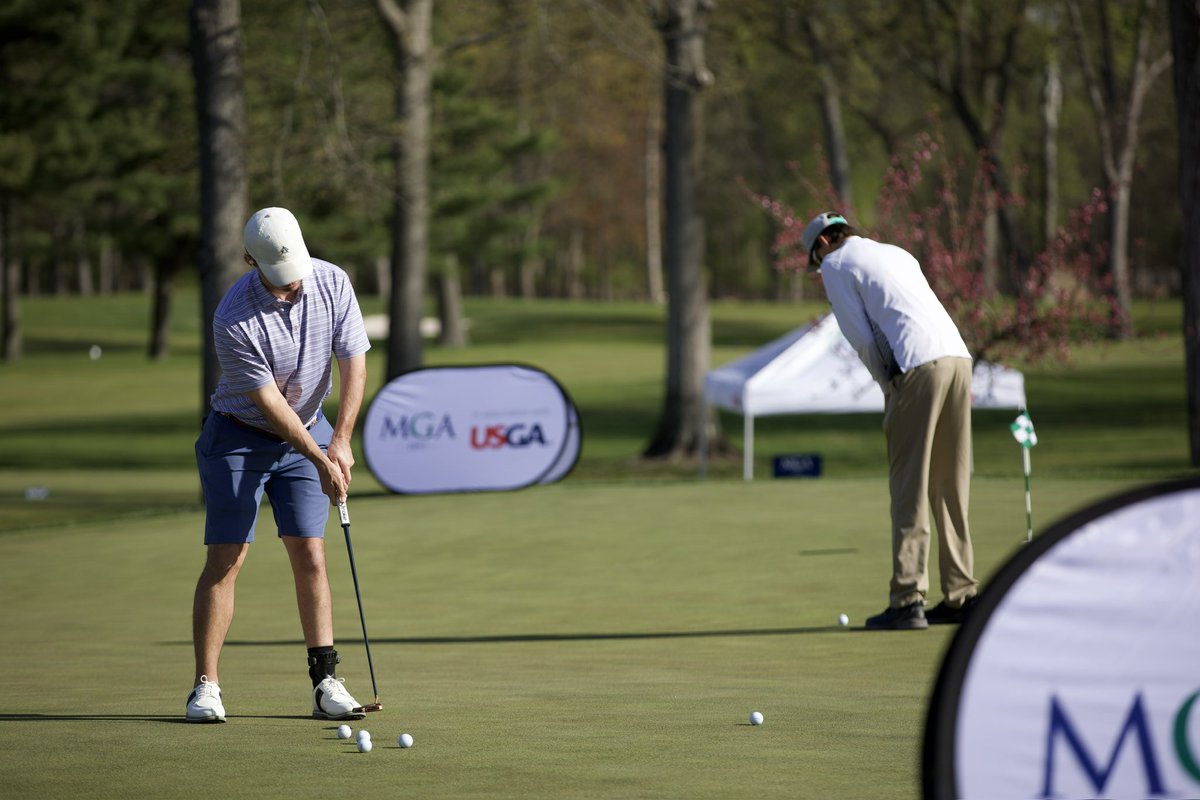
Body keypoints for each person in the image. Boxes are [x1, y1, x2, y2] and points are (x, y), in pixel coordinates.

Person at [186, 207, 372, 722]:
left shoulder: (333, 282)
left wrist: (342, 440)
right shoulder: (233, 316)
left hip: (310, 427)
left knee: (311, 553)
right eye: (280, 276)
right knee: (228, 559)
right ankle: (206, 686)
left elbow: (353, 360)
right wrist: (318, 456)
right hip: (238, 438)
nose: (292, 285)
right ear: (250, 260)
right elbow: (269, 405)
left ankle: (326, 681)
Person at [800, 212, 979, 631]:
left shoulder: (836, 264)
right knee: (950, 482)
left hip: (917, 367)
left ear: (824, 243)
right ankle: (962, 593)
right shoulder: (895, 252)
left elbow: (860, 337)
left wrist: (888, 384)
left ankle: (907, 598)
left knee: (908, 484)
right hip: (958, 359)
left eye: (815, 257)